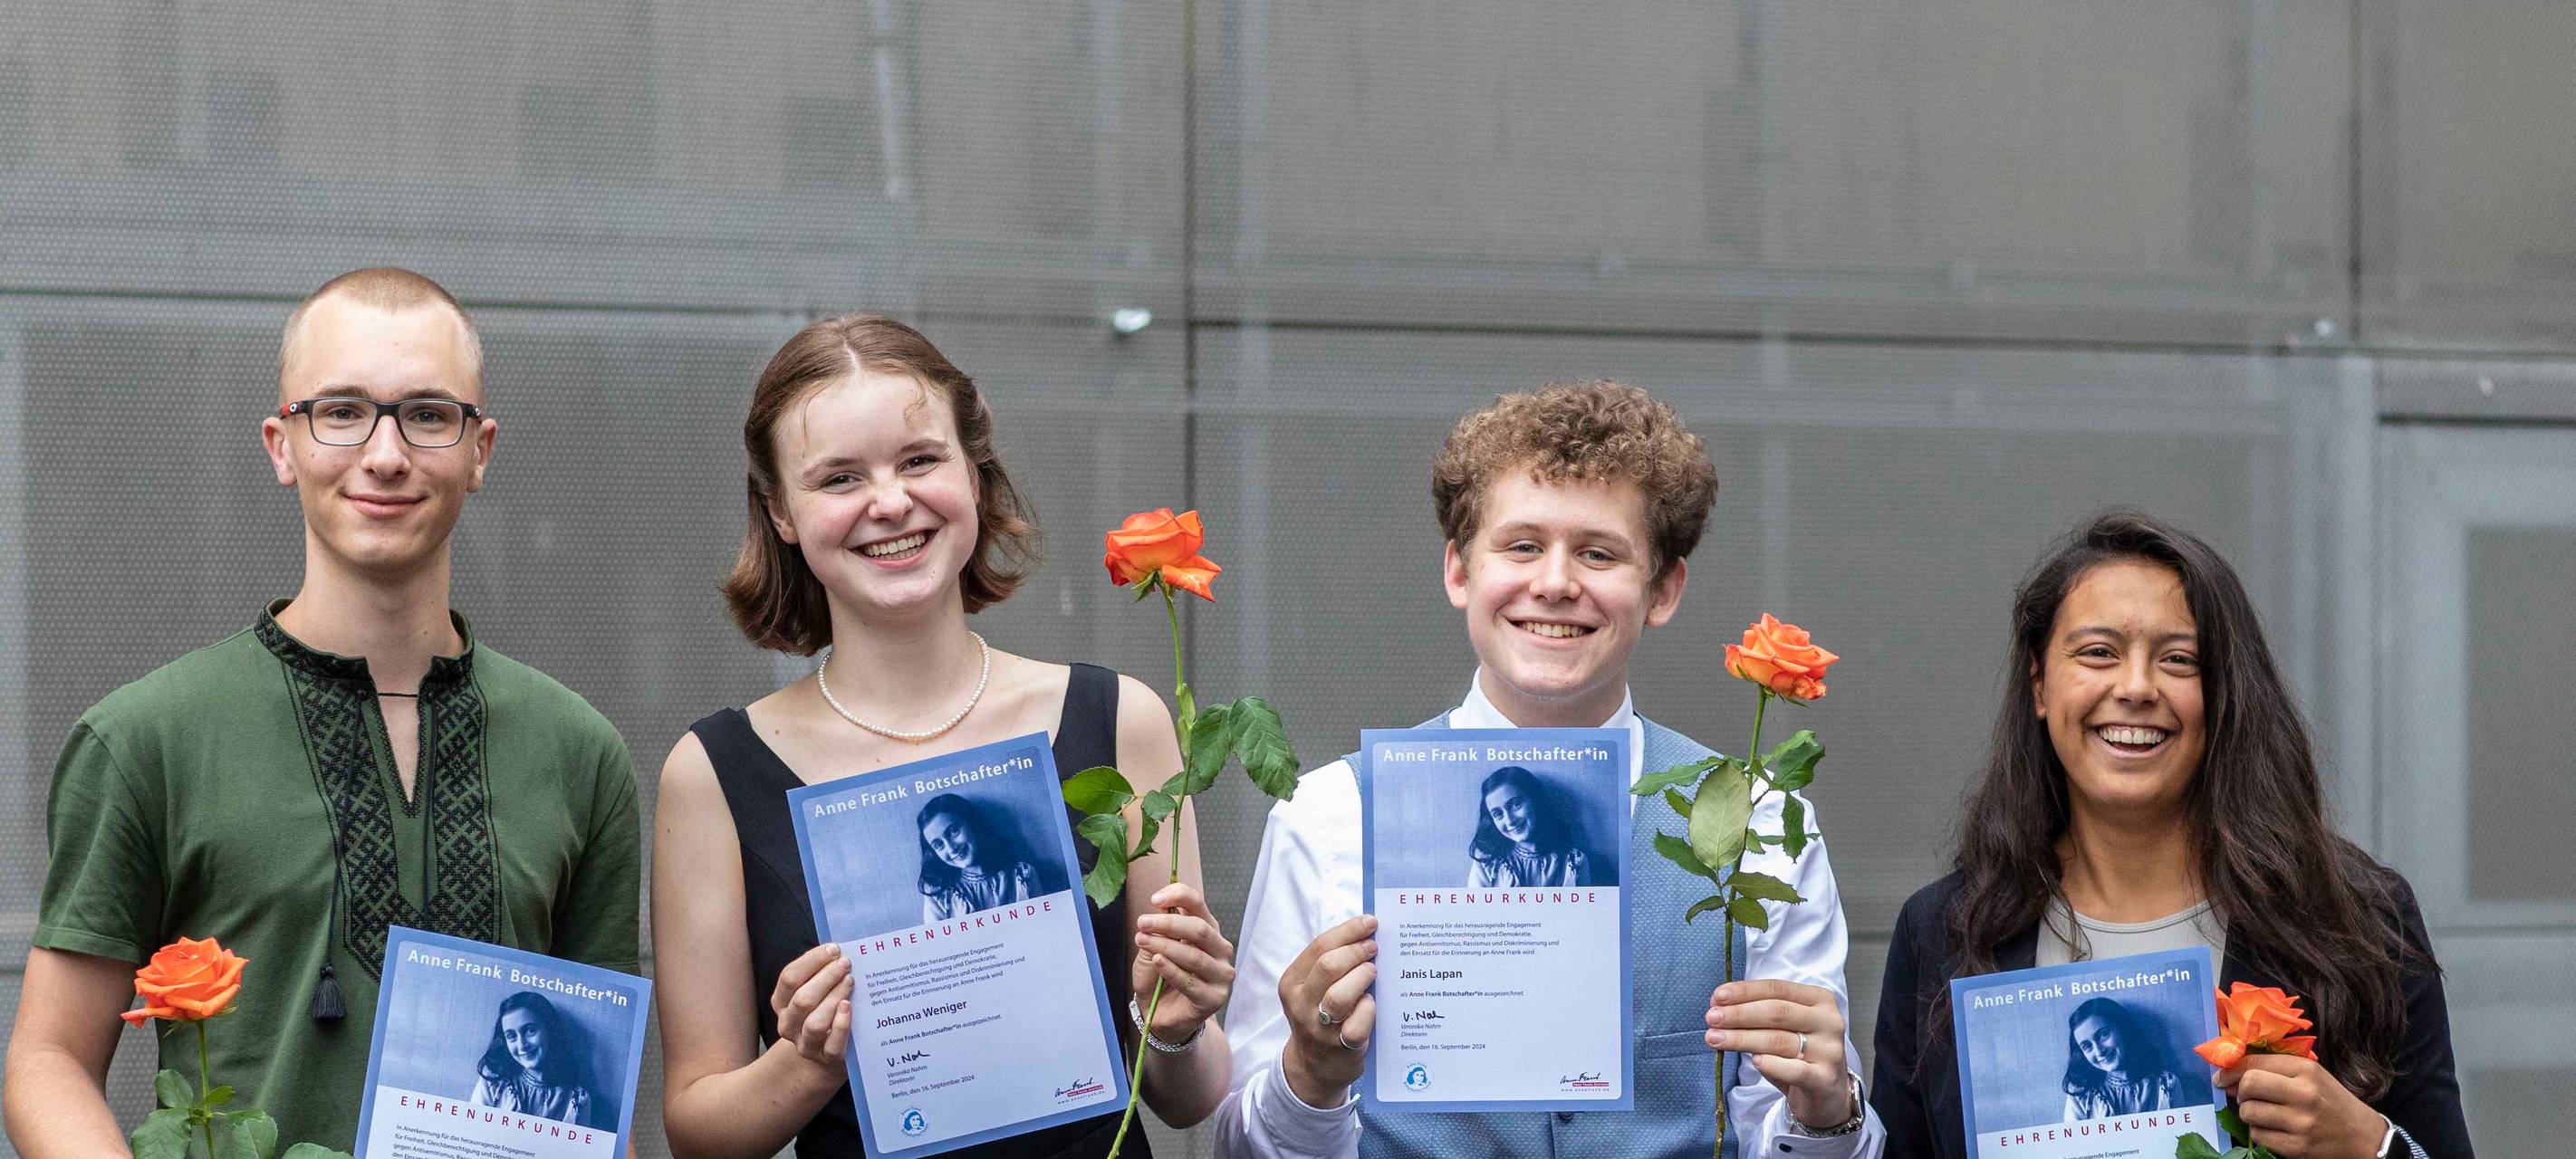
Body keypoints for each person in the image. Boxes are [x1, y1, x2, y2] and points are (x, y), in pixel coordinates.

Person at [3, 269, 642, 1156]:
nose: (385, 454)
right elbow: (48, 1057)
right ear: (281, 443)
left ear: (480, 448)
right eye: (341, 411)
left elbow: (595, 1093)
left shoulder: (581, 752)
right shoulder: (144, 739)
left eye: (427, 413)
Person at [1216, 381, 1883, 1158]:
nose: (1557, 582)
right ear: (1461, 573)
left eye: (1598, 553)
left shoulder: (1759, 819)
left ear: (1663, 589)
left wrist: (1828, 1111)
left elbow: (1808, 1135)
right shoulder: (1327, 815)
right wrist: (1309, 1075)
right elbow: (1240, 1144)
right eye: (1522, 545)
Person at [653, 314, 1235, 1158]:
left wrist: (1176, 1024)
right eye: (839, 478)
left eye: (920, 460)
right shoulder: (713, 773)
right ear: (781, 512)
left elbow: (1189, 1100)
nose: (891, 502)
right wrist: (805, 1063)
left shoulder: (1120, 721)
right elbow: (700, 1132)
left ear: (975, 471)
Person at [1870, 512, 2474, 1159]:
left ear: (2224, 694)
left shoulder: (2360, 920)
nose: (2135, 688)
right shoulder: (1943, 931)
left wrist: (2369, 1145)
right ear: (2040, 683)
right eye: (2098, 652)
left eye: (2179, 660)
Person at [470, 991, 599, 1126]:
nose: (522, 1045)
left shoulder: (578, 1100)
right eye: (511, 1036)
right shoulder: (493, 1082)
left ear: (550, 1030)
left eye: (530, 1030)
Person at [917, 792, 1043, 922]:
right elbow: (941, 942)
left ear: (972, 822)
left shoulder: (1023, 875)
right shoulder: (936, 893)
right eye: (938, 845)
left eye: (954, 831)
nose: (951, 848)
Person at [2058, 998, 2179, 1121]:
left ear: (2122, 1028)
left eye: (2103, 1035)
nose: (2099, 1051)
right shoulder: (2080, 1093)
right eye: (2087, 1046)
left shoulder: (2167, 1085)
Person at [1466, 766, 1588, 887]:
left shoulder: (1574, 863)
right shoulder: (1486, 864)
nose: (1510, 821)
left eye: (1515, 805)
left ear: (1535, 800)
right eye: (1498, 814)